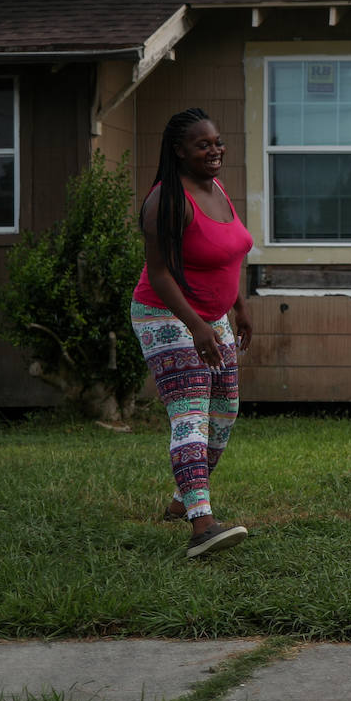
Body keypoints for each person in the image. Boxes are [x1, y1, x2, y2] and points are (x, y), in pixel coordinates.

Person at [130, 108, 254, 559]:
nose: (215, 150)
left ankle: (184, 495)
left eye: (217, 142)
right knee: (191, 414)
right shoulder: (165, 201)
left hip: (212, 316)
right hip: (165, 315)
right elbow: (160, 274)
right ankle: (201, 524)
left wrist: (238, 306)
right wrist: (196, 325)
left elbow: (226, 253)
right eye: (203, 145)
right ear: (180, 151)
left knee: (225, 411)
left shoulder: (216, 187)